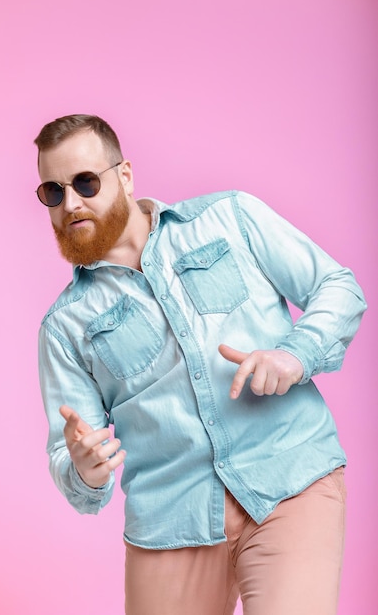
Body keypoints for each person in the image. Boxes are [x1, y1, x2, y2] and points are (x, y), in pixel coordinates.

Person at [34, 114, 366, 615]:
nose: (72, 203)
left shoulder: (230, 218)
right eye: (54, 193)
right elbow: (71, 459)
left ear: (124, 175)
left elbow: (338, 287)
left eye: (85, 181)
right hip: (170, 527)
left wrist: (294, 354)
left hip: (288, 480)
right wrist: (85, 469)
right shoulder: (63, 327)